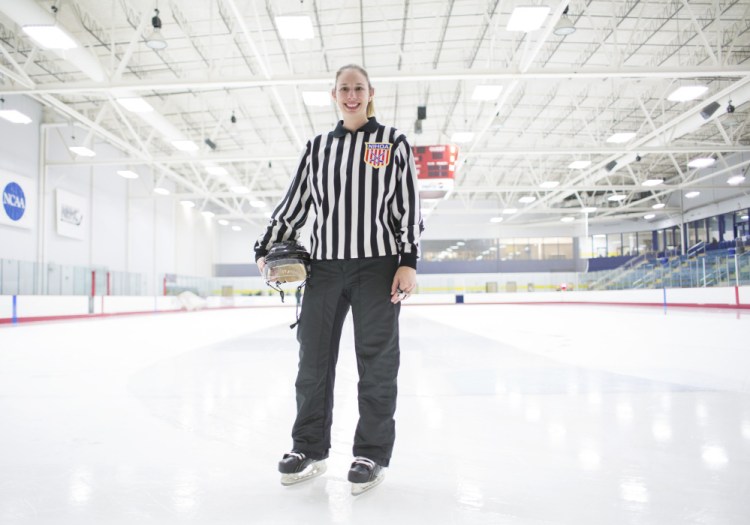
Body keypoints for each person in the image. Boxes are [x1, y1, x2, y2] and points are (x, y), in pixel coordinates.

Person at [254, 64, 423, 495]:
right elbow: (295, 203)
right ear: (334, 94)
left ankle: (371, 453)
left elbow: (408, 205)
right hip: (325, 267)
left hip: (379, 265)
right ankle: (308, 448)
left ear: (370, 93)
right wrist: (265, 246)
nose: (351, 94)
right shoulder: (317, 148)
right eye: (344, 88)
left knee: (377, 364)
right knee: (312, 362)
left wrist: (409, 260)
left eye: (359, 88)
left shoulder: (393, 142)